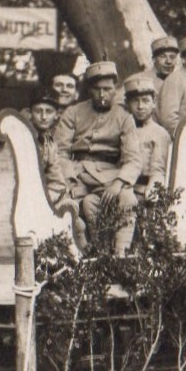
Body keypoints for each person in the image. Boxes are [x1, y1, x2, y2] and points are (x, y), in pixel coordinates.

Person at [52, 61, 136, 251]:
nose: (102, 94)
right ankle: (88, 253)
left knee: (128, 198)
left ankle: (120, 253)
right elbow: (61, 152)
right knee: (67, 204)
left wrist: (119, 183)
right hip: (77, 173)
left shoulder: (124, 117)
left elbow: (133, 158)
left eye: (107, 89)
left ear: (115, 88)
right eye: (97, 89)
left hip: (110, 174)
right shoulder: (73, 112)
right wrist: (69, 180)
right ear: (89, 89)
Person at [102, 74, 172, 255]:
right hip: (123, 186)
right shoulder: (122, 128)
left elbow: (158, 168)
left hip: (143, 190)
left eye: (145, 101)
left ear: (153, 103)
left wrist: (153, 188)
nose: (140, 106)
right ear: (127, 104)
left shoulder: (159, 133)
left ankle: (129, 255)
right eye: (135, 101)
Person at [151, 36, 186, 134]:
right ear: (153, 59)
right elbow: (169, 119)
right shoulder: (141, 79)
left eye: (172, 57)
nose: (168, 61)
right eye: (163, 56)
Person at [23, 90, 63, 199]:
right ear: (30, 113)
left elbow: (57, 183)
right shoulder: (19, 133)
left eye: (49, 111)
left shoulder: (50, 145)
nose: (44, 117)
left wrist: (42, 200)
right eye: (38, 111)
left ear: (56, 115)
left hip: (35, 197)